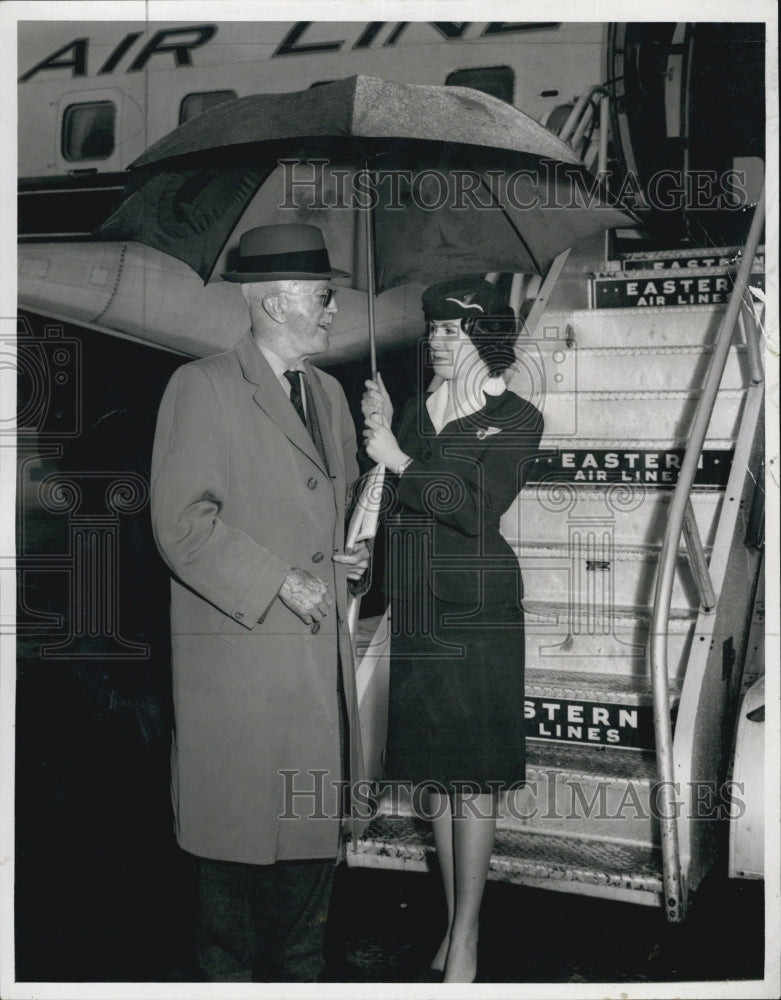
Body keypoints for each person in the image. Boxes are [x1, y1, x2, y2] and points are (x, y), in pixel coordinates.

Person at [150, 223, 369, 982]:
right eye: (322, 296)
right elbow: (181, 526)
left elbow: (325, 527)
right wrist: (278, 577)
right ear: (275, 304)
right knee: (233, 905)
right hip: (243, 678)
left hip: (312, 675)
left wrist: (352, 555)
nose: (334, 311)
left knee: (306, 900)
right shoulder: (203, 386)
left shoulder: (332, 394)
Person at [361, 277, 543, 983]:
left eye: (454, 329)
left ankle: (467, 936)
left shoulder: (516, 418)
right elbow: (391, 503)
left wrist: (397, 456)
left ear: (486, 339)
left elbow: (472, 508)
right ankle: (449, 920)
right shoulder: (415, 408)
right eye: (433, 327)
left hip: (476, 610)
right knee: (437, 778)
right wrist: (378, 438)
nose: (438, 339)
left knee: (471, 779)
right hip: (417, 609)